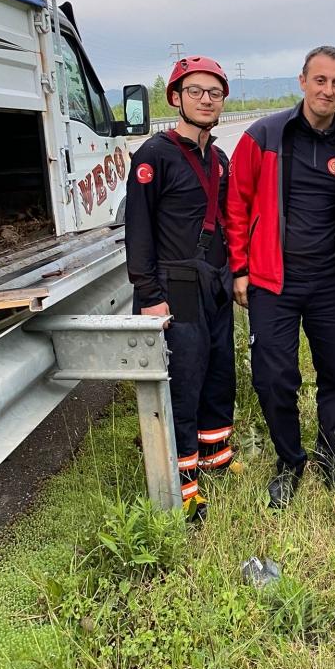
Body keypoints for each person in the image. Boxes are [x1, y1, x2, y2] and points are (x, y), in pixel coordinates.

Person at [226, 45, 335, 508]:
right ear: (302, 81)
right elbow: (236, 204)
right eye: (320, 80)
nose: (328, 90)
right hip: (272, 282)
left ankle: (331, 455)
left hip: (331, 283)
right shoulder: (264, 136)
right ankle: (289, 461)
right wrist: (239, 267)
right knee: (273, 377)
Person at [125, 56, 237, 521]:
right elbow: (138, 230)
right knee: (184, 381)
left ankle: (215, 458)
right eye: (195, 91)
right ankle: (183, 482)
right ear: (176, 98)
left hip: (215, 283)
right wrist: (150, 295)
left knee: (219, 372)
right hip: (176, 284)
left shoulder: (219, 159)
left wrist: (234, 275)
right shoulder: (154, 156)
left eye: (214, 92)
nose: (206, 99)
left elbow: (229, 222)